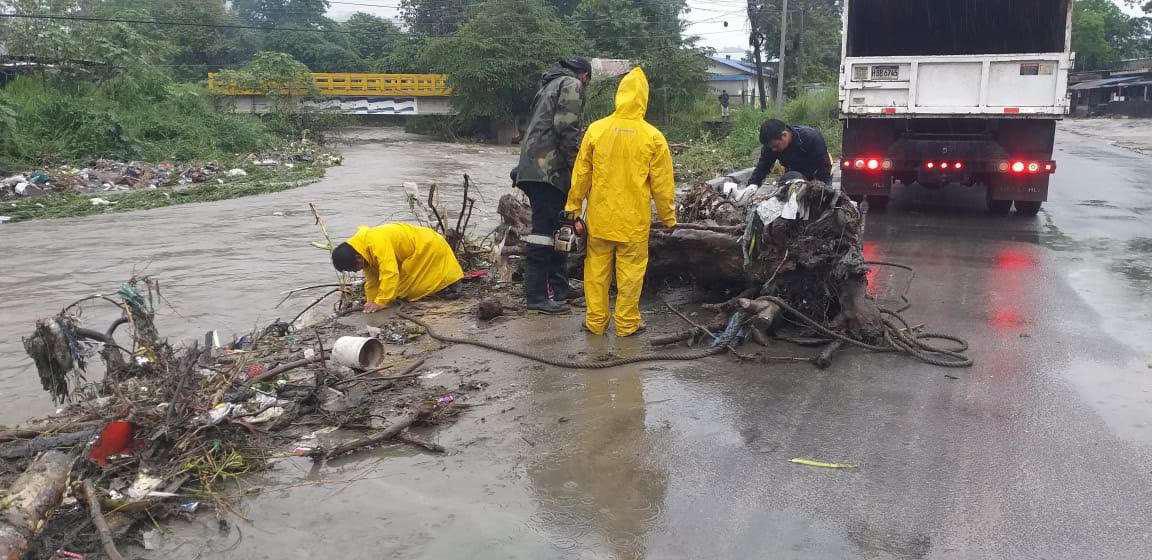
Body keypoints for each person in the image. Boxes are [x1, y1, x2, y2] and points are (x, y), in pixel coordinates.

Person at [564, 67, 677, 337]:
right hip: (633, 222)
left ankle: (595, 322)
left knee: (596, 271)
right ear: (643, 98)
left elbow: (581, 174)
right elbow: (663, 185)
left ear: (619, 95)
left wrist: (573, 208)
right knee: (631, 274)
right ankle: (626, 325)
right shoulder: (653, 137)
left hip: (601, 218)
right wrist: (668, 218)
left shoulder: (597, 130)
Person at [513, 56, 592, 314]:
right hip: (547, 170)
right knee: (544, 232)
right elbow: (566, 128)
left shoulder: (549, 85)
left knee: (559, 228)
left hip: (535, 168)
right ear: (584, 75)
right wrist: (578, 168)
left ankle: (560, 287)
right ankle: (536, 295)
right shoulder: (571, 84)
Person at [331, 223, 464, 313]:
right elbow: (372, 280)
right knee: (398, 292)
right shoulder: (362, 249)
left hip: (428, 246)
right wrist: (371, 301)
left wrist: (380, 302)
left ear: (357, 258)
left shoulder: (376, 242)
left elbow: (390, 273)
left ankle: (450, 285)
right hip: (417, 252)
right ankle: (445, 285)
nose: (356, 271)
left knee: (409, 291)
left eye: (354, 268)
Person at [746, 119, 833, 188]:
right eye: (771, 147)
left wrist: (816, 185)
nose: (773, 150)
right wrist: (752, 186)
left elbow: (824, 165)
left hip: (818, 173)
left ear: (784, 135)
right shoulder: (771, 146)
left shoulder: (811, 137)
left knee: (821, 199)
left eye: (776, 146)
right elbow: (762, 167)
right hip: (794, 176)